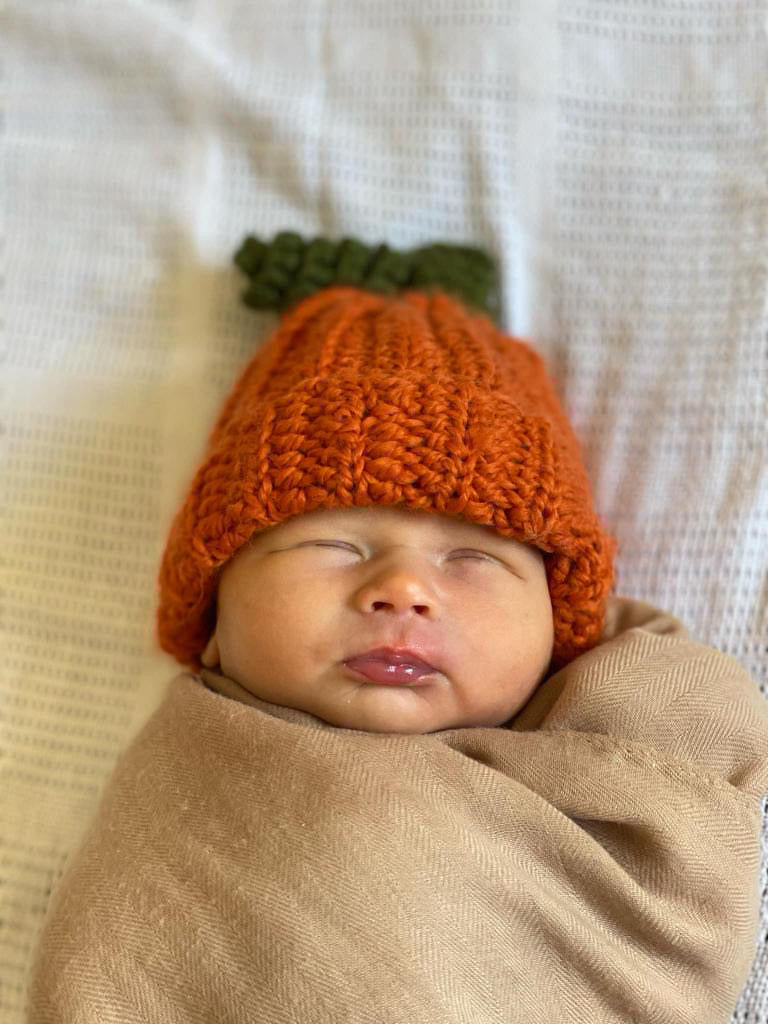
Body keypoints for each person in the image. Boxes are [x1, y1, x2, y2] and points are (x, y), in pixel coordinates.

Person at [26, 233, 768, 1024]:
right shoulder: (180, 813)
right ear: (212, 609)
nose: (404, 590)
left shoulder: (633, 744)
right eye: (333, 545)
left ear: (561, 626)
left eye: (473, 558)